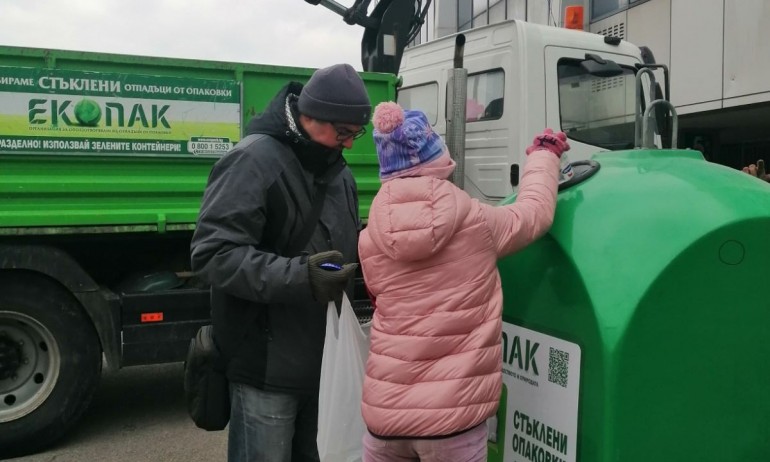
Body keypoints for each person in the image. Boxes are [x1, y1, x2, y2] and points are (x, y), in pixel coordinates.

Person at [358, 101, 567, 461]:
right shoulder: (476, 223)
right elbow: (534, 214)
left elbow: (378, 299)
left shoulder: (369, 239)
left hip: (385, 420)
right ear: (436, 156)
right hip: (453, 419)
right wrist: (544, 156)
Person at [190, 63, 371, 462]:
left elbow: (345, 243)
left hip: (325, 367)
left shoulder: (339, 173)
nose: (350, 145)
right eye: (343, 134)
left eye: (355, 134)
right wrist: (301, 277)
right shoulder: (253, 160)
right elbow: (213, 253)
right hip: (266, 370)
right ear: (311, 117)